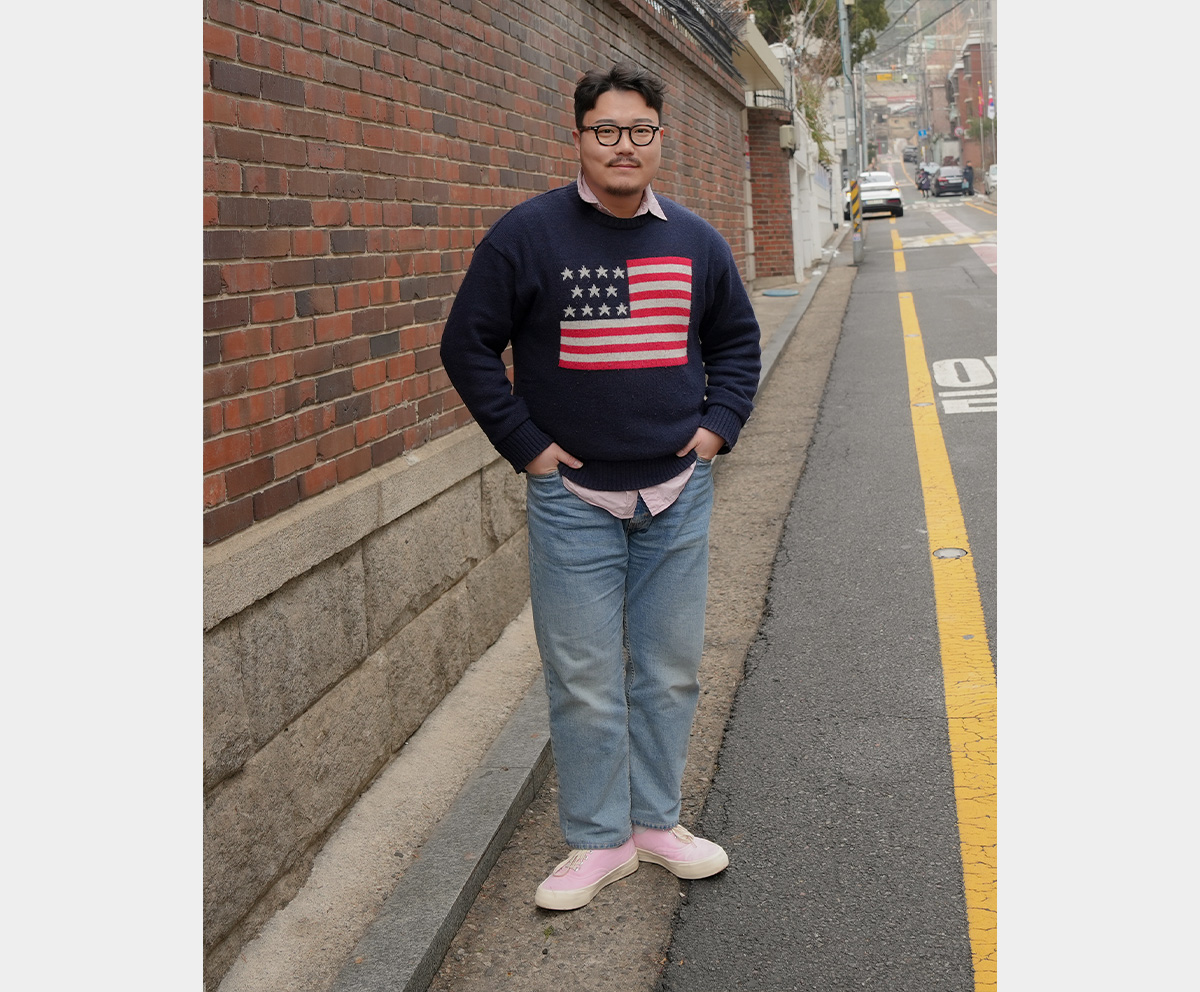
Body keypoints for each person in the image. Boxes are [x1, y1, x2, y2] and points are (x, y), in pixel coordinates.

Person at [440, 62, 761, 911]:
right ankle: (598, 839)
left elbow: (735, 343)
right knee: (582, 673)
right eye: (606, 131)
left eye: (640, 130)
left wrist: (715, 428)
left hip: (676, 493)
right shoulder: (527, 235)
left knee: (669, 667)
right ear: (578, 137)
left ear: (662, 137)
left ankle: (656, 823)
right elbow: (466, 346)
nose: (625, 146)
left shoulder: (695, 241)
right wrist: (530, 448)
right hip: (573, 499)